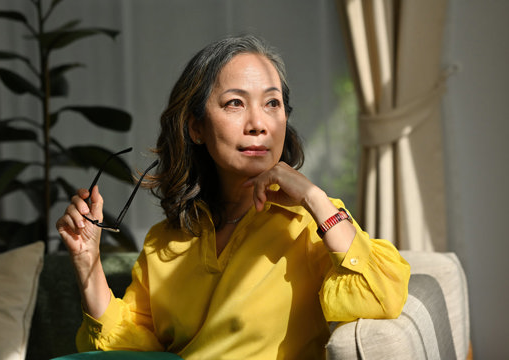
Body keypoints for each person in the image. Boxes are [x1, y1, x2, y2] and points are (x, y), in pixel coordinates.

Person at [56, 35, 410, 359]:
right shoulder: (164, 241)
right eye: (235, 104)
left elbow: (378, 298)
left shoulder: (309, 226)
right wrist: (88, 262)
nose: (258, 123)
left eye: (272, 103)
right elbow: (131, 349)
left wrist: (315, 198)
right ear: (196, 127)